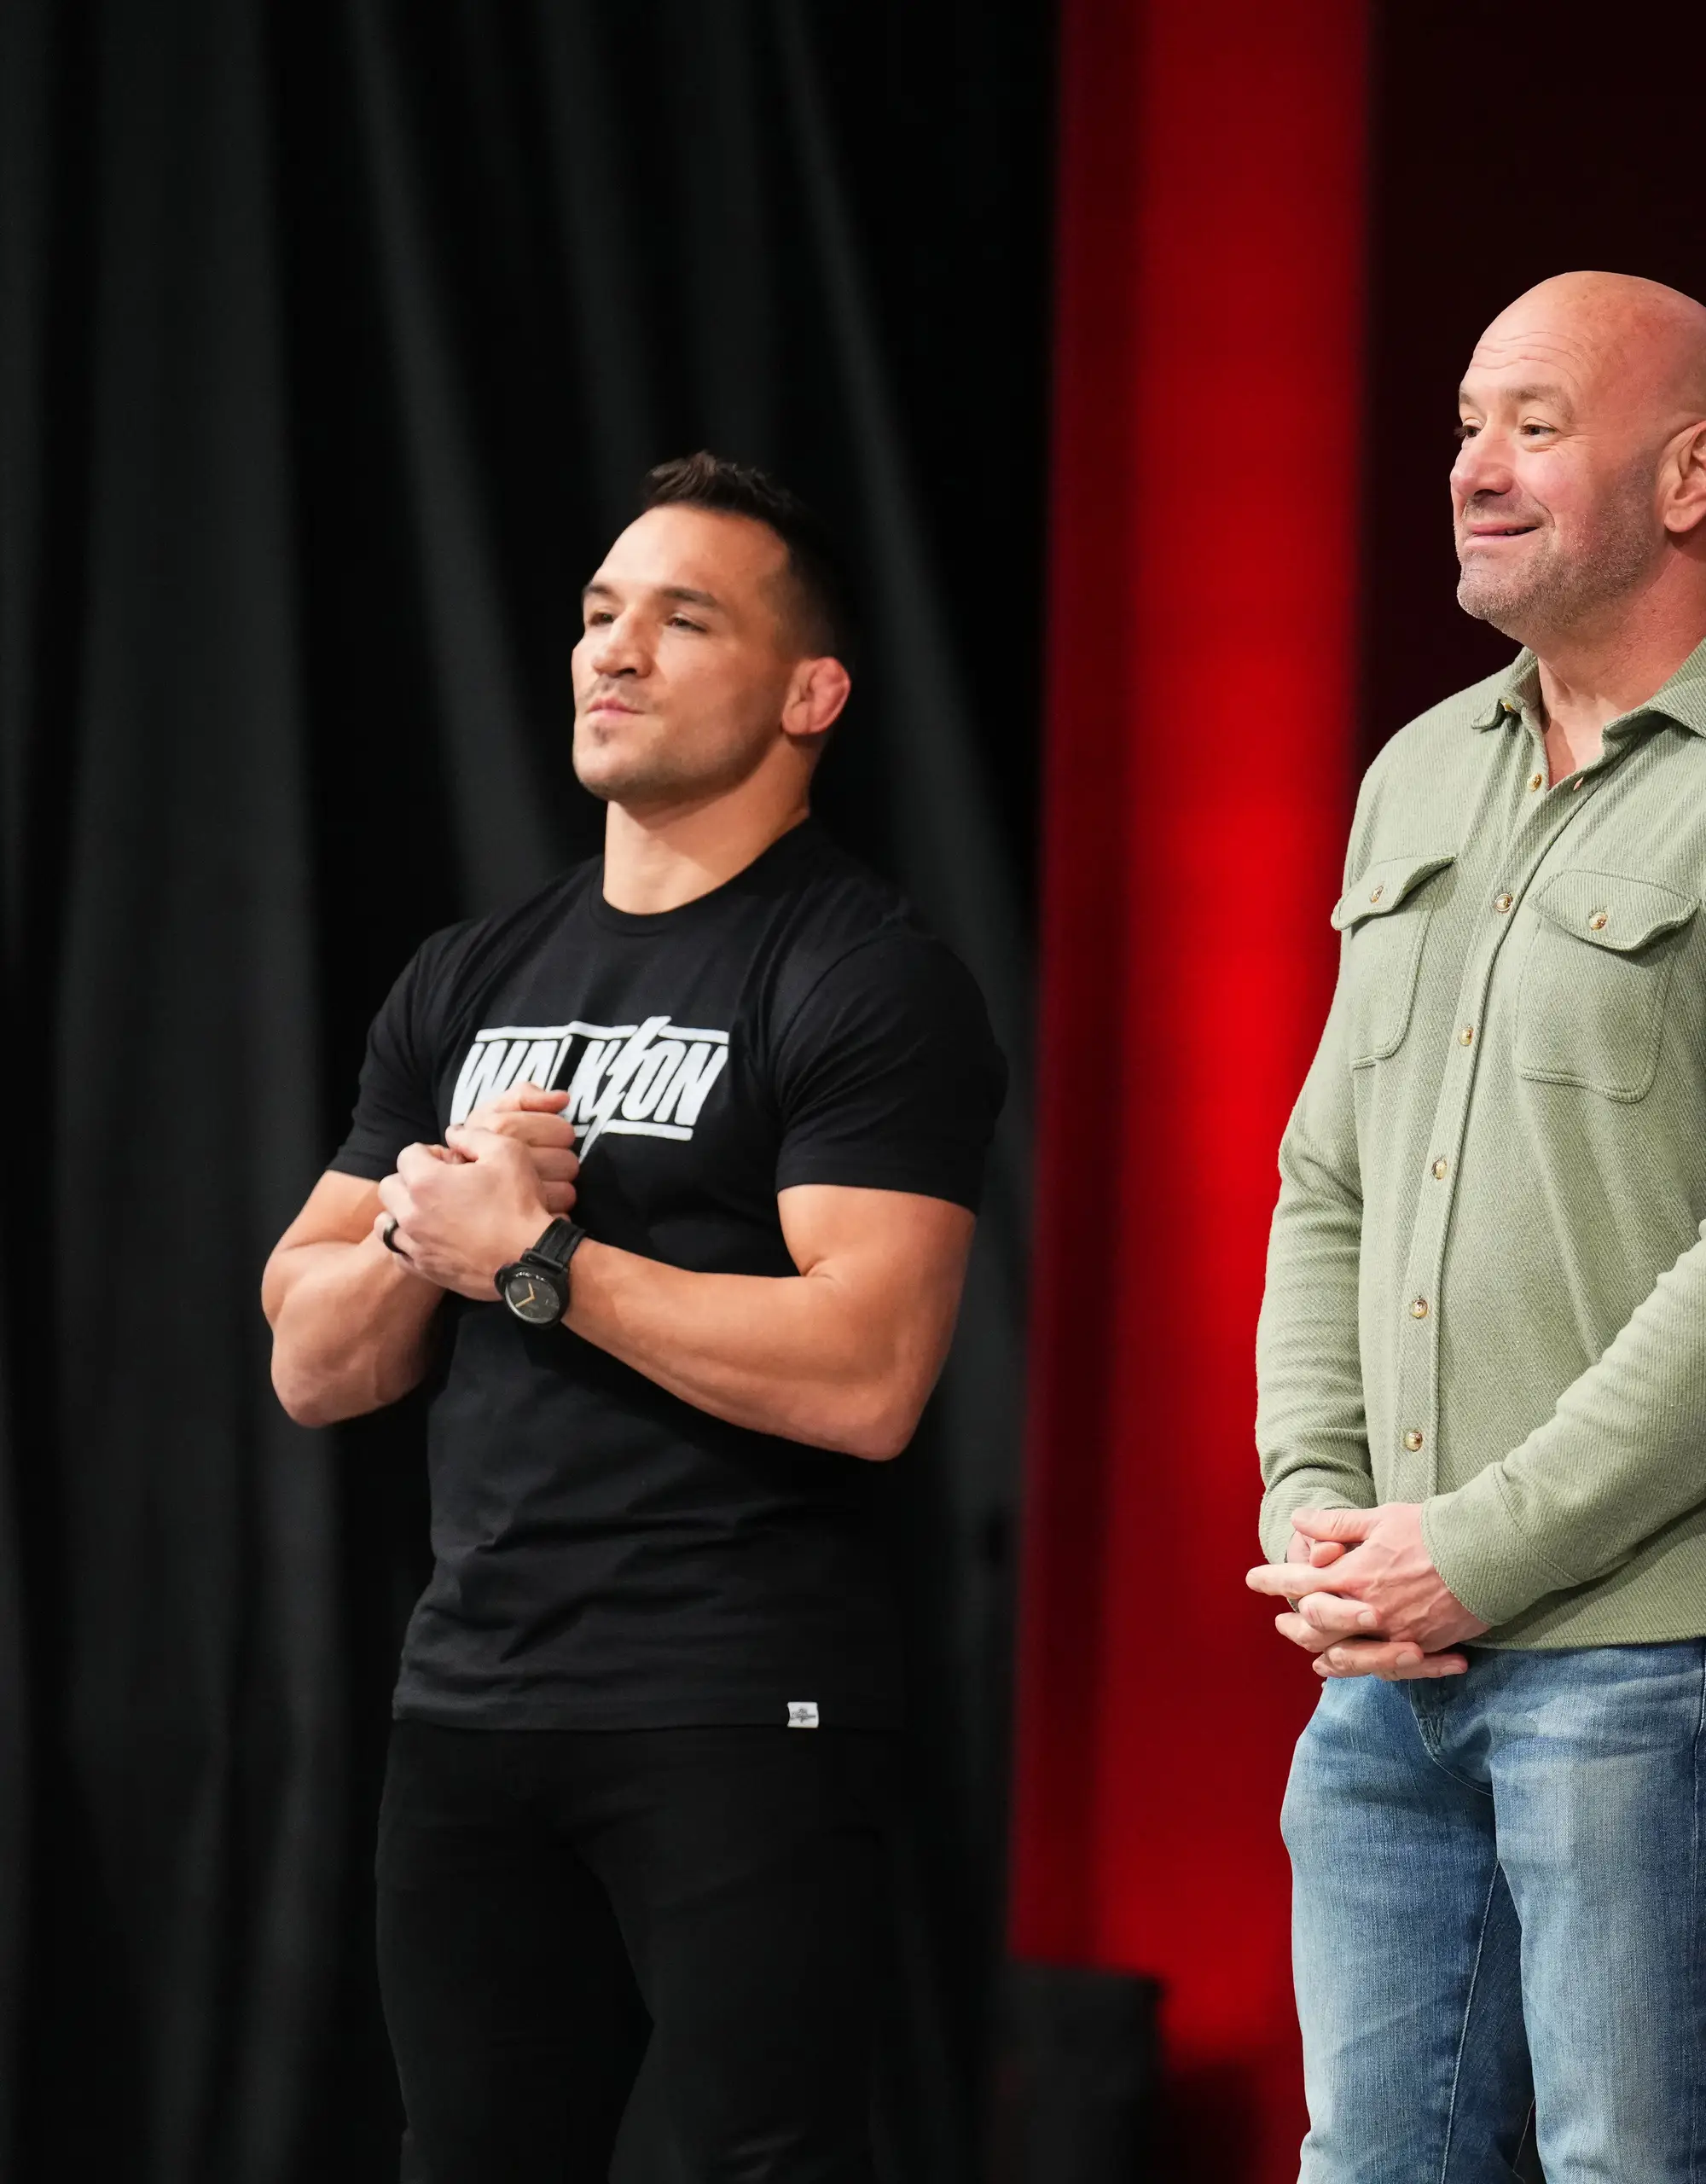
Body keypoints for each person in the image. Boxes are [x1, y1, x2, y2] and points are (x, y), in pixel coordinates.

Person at [1243, 272, 1706, 2179]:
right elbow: (1331, 1177)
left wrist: (1479, 1545)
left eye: (1536, 424)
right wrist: (1309, 1504)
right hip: (1388, 1650)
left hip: (1660, 1645)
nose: (1476, 465)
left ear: (1695, 469)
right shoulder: (1424, 767)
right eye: (1468, 423)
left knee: (1633, 2163)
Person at [260, 454, 1002, 2183]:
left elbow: (874, 1371)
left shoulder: (861, 973)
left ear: (812, 692)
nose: (617, 650)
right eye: (601, 613)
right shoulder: (468, 976)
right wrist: (422, 1218)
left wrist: (541, 1262)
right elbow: (310, 1353)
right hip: (472, 1702)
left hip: (741, 1705)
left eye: (685, 618)